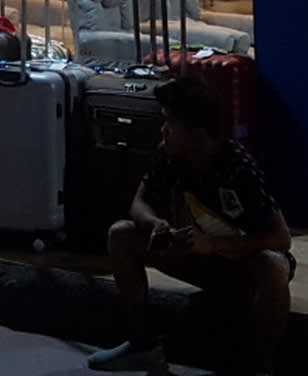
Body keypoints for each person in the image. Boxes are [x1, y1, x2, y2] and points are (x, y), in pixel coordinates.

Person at [88, 79, 293, 376]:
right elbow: (139, 203)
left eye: (170, 122)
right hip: (192, 255)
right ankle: (143, 346)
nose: (163, 130)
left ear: (197, 134)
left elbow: (281, 239)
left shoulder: (238, 167)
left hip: (238, 265)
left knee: (274, 266)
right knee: (121, 234)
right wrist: (155, 224)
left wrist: (213, 246)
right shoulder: (169, 156)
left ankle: (258, 367)